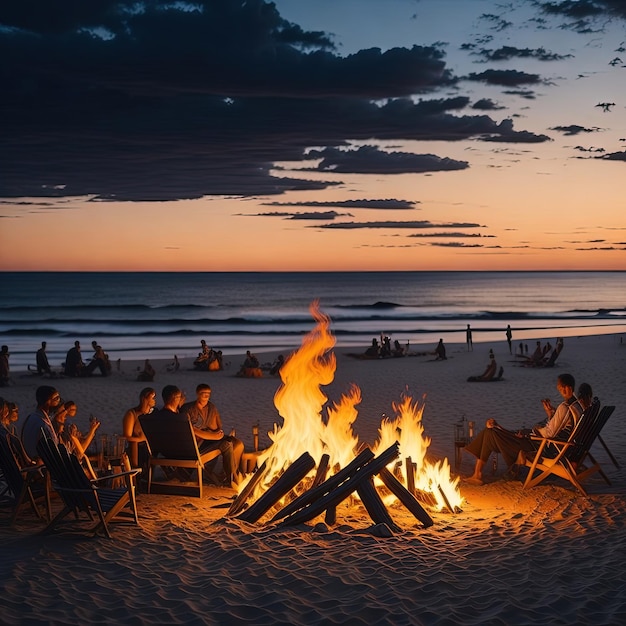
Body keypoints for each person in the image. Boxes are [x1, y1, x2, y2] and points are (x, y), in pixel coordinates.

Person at [464, 373, 582, 485]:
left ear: (566, 388)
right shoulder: (577, 406)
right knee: (491, 432)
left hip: (541, 447)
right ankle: (477, 473)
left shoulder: (565, 407)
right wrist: (551, 414)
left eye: (559, 387)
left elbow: (549, 433)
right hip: (553, 446)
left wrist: (529, 433)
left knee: (490, 433)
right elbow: (561, 427)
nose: (558, 389)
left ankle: (477, 474)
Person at [180, 383, 243, 483]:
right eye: (203, 393)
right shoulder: (189, 409)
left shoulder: (211, 407)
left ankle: (229, 474)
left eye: (208, 394)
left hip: (209, 437)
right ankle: (232, 479)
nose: (206, 396)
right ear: (197, 394)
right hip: (198, 443)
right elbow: (191, 430)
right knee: (226, 445)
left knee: (238, 444)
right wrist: (213, 436)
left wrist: (216, 433)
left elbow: (217, 427)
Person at [20, 386, 61, 461]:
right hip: (40, 466)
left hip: (30, 461)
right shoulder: (43, 424)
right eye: (56, 398)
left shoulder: (31, 417)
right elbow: (53, 451)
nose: (59, 402)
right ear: (47, 402)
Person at [122, 387, 157, 468]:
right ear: (145, 399)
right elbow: (126, 437)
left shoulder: (153, 413)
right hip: (138, 446)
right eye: (152, 397)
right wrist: (141, 439)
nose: (154, 400)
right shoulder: (132, 414)